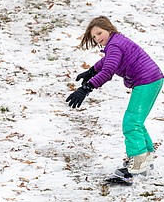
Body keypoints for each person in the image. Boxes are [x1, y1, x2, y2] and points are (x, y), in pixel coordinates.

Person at [66, 15, 163, 177]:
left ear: (109, 29)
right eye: (94, 36)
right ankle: (144, 158)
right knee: (136, 121)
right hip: (152, 80)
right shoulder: (116, 42)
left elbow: (108, 71)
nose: (97, 38)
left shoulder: (115, 45)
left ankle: (138, 164)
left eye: (99, 33)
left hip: (147, 81)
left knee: (131, 123)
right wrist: (91, 71)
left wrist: (86, 88)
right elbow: (108, 62)